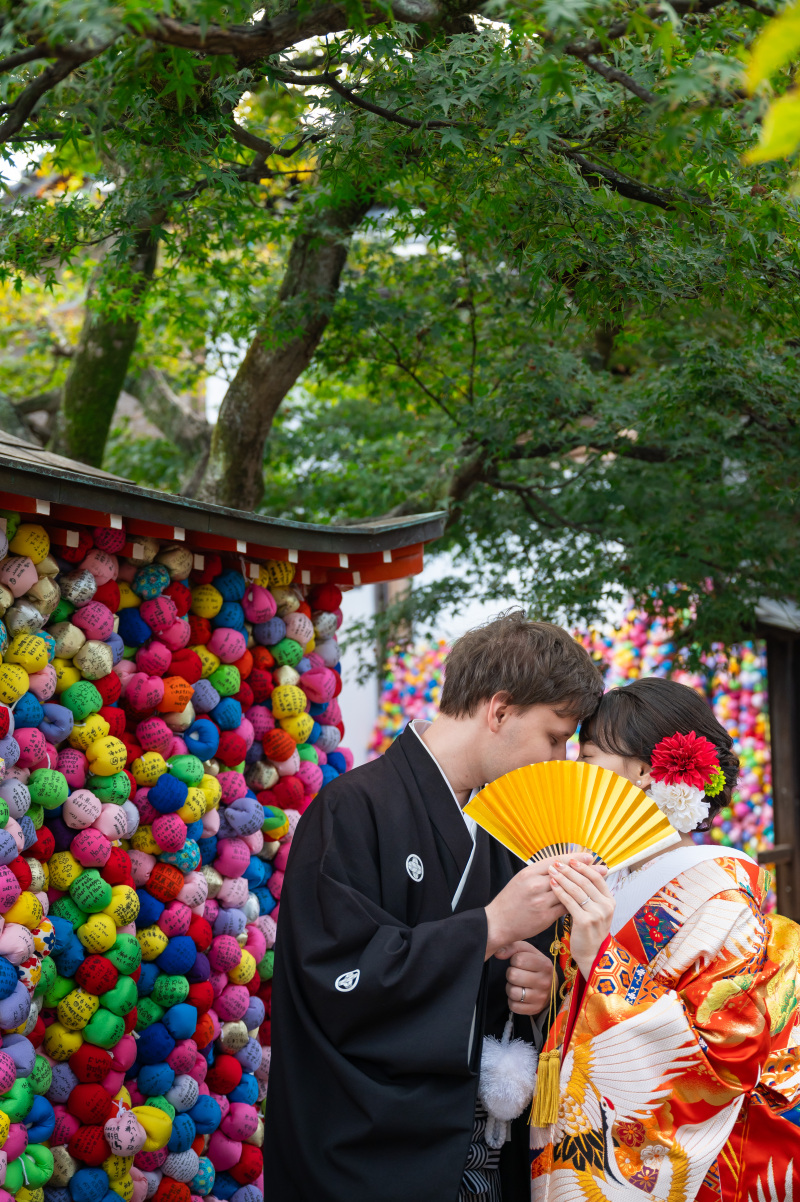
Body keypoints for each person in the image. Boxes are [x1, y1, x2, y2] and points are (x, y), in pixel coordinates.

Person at [264, 613, 604, 1202]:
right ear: (498, 710)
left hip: (477, 1152)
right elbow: (336, 975)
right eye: (554, 736)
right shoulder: (354, 807)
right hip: (365, 1150)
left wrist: (534, 987)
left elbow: (498, 994)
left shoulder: (504, 829)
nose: (560, 758)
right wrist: (490, 926)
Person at [529, 677, 800, 1202]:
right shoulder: (610, 878)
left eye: (589, 757)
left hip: (671, 1167)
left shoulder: (719, 897)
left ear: (647, 770)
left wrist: (601, 965)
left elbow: (726, 1057)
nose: (577, 773)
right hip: (572, 1136)